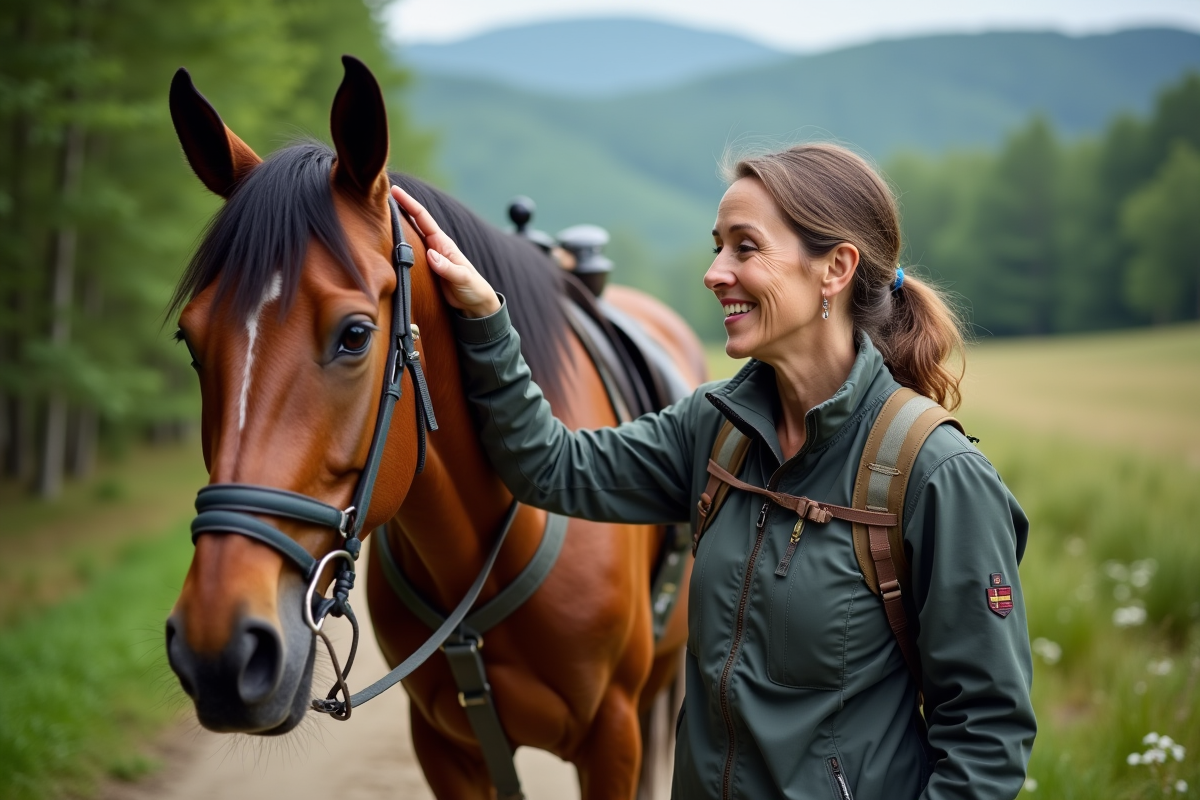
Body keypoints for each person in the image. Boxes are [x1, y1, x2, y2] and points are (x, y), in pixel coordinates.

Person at [391, 142, 1035, 800]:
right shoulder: (716, 426)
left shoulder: (937, 474)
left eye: (745, 248)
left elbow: (986, 740)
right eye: (717, 246)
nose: (715, 272)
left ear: (835, 268)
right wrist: (486, 318)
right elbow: (552, 467)